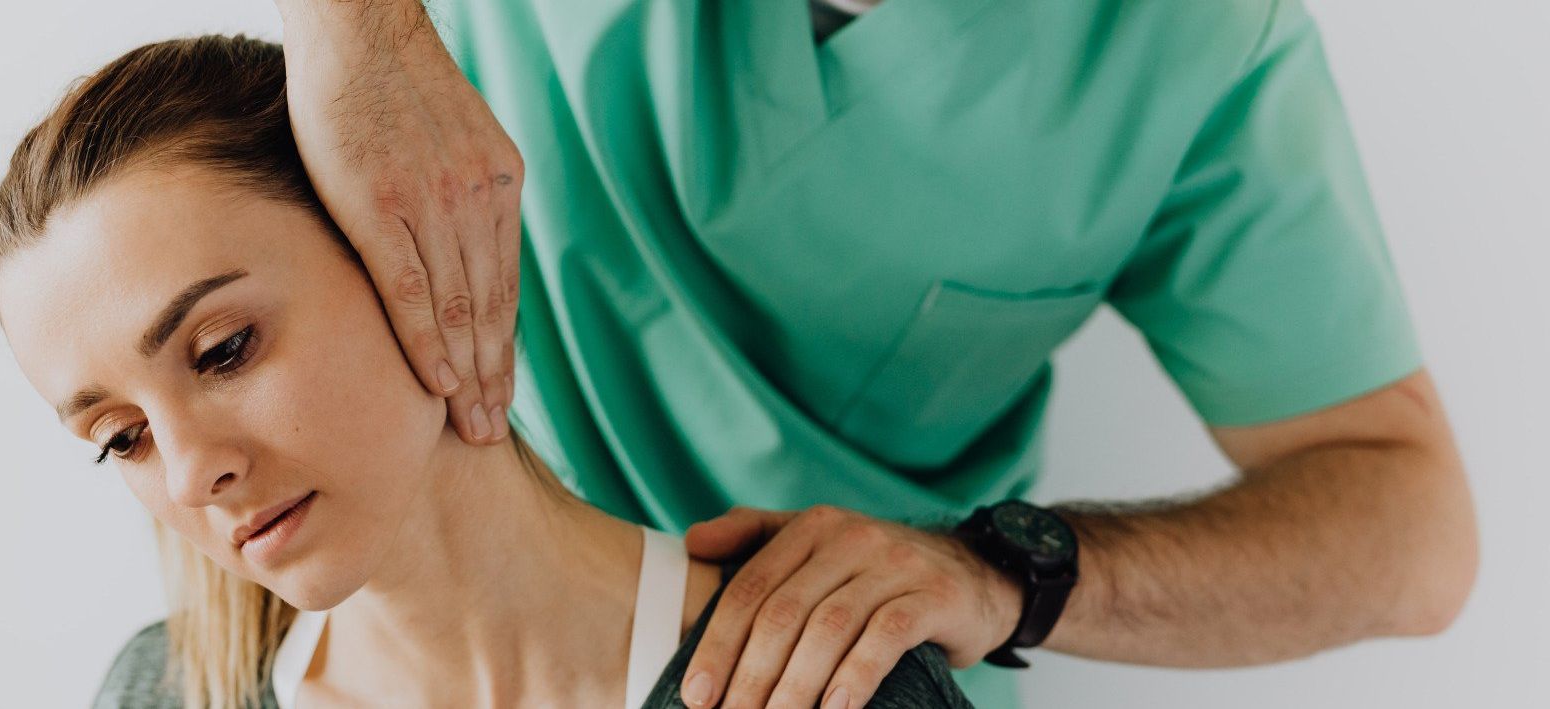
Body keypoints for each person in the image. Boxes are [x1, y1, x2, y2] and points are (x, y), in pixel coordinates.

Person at [266, 0, 1480, 707]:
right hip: (408, 623)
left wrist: (1012, 575)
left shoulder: (1192, 45)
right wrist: (351, 29)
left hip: (818, 682)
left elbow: (1411, 530)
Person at [0, 35, 974, 708]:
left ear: (408, 250)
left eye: (223, 350)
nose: (193, 472)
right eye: (122, 435)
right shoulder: (166, 690)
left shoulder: (820, 679)